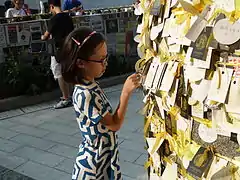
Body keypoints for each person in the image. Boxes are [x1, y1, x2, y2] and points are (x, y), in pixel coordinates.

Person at [59, 27, 141, 179]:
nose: (105, 63)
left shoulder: (89, 85)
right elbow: (114, 124)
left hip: (104, 157)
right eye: (100, 60)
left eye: (106, 57)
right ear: (81, 63)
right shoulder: (86, 93)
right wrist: (125, 93)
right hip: (95, 165)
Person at [41, 0, 74, 109]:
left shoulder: (54, 19)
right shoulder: (67, 17)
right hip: (69, 48)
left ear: (51, 6)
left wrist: (42, 37)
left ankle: (65, 98)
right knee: (67, 71)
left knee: (59, 72)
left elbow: (46, 36)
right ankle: (71, 96)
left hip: (58, 50)